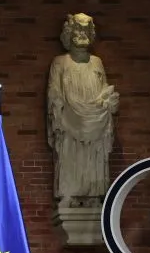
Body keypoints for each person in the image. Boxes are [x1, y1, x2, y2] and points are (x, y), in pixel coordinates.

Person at [46, 14, 120, 208]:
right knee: (70, 153)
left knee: (93, 154)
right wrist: (58, 109)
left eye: (86, 30)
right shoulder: (60, 62)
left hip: (96, 119)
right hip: (70, 120)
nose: (82, 34)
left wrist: (108, 101)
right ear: (69, 33)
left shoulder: (96, 63)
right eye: (78, 30)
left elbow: (103, 89)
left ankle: (94, 195)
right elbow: (54, 91)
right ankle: (68, 194)